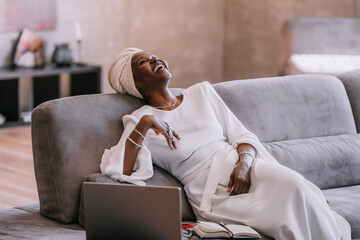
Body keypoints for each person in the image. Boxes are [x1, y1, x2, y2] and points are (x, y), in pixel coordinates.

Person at [100, 47, 349, 240]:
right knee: (291, 204)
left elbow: (243, 136)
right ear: (137, 84)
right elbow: (119, 172)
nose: (155, 60)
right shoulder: (139, 121)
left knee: (295, 185)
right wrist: (145, 124)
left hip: (242, 167)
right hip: (213, 195)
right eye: (144, 62)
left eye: (154, 56)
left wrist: (244, 163)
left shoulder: (202, 92)